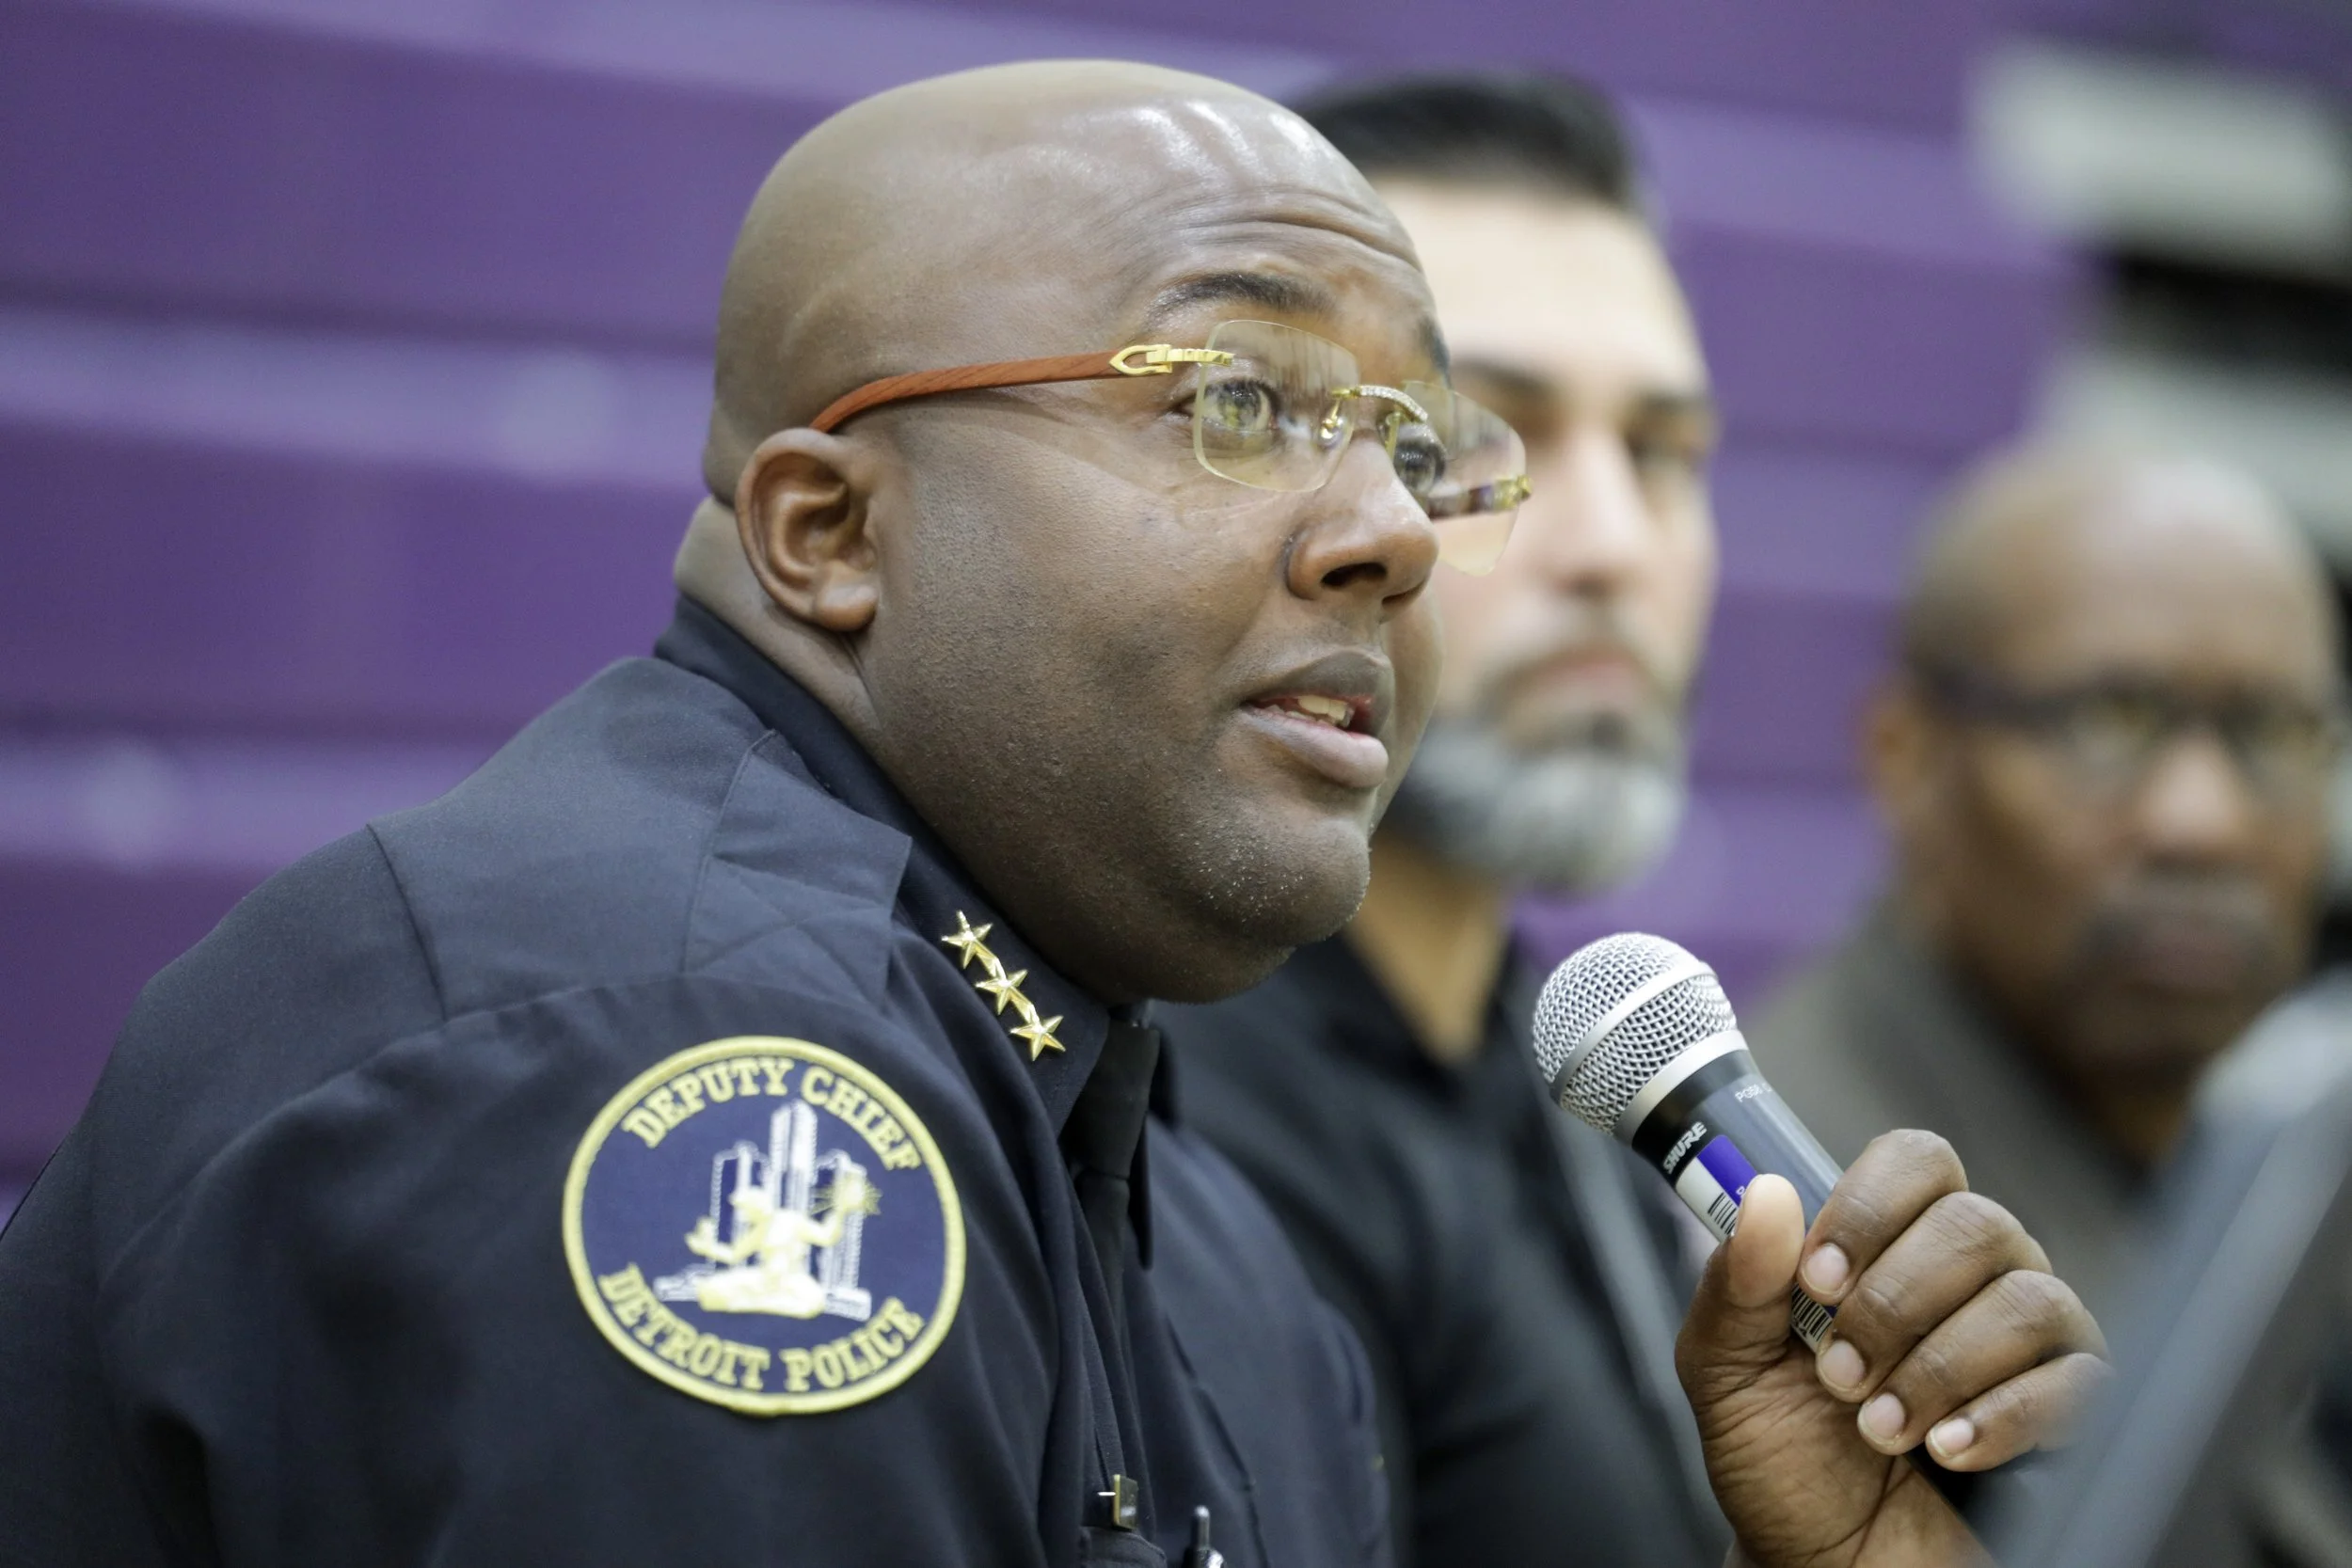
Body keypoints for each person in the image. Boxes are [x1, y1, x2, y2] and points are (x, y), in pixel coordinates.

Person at [0, 61, 2104, 1568]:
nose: (1387, 530)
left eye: (1410, 446)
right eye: (1232, 404)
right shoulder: (699, 1075)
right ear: (829, 529)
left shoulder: (1194, 1232)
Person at [1161, 74, 1730, 1567]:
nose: (1611, 545)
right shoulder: (1162, 1115)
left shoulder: (1578, 1053)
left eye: (1663, 454)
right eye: (1475, 445)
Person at [1752, 445, 2343, 1314]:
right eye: (2108, 721)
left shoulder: (2284, 1158)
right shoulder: (1792, 1217)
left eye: (2276, 732)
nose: (2204, 822)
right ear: (1906, 756)